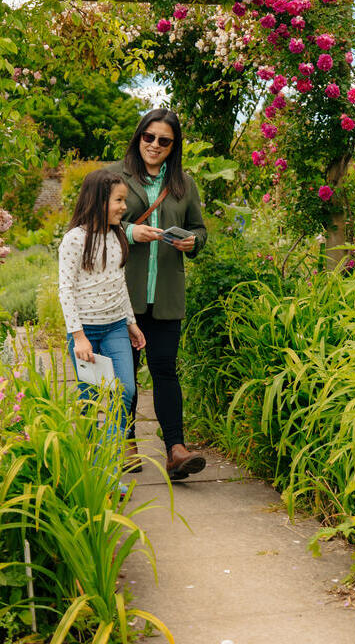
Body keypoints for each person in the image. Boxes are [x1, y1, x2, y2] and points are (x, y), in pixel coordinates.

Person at [109, 109, 208, 480]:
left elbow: (200, 228)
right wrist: (132, 233)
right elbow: (95, 223)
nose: (154, 145)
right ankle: (125, 443)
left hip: (165, 294)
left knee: (165, 370)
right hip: (122, 295)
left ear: (173, 146)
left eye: (164, 141)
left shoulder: (183, 184)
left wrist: (192, 240)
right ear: (139, 138)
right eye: (149, 137)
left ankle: (175, 450)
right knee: (125, 375)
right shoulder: (115, 177)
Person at [58, 167, 146, 464]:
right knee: (90, 400)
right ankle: (92, 465)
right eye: (119, 200)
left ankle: (110, 455)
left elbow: (118, 283)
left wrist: (131, 323)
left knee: (126, 391)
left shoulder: (117, 234)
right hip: (87, 334)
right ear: (98, 200)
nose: (124, 207)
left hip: (116, 328)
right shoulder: (74, 240)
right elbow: (66, 290)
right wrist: (78, 337)